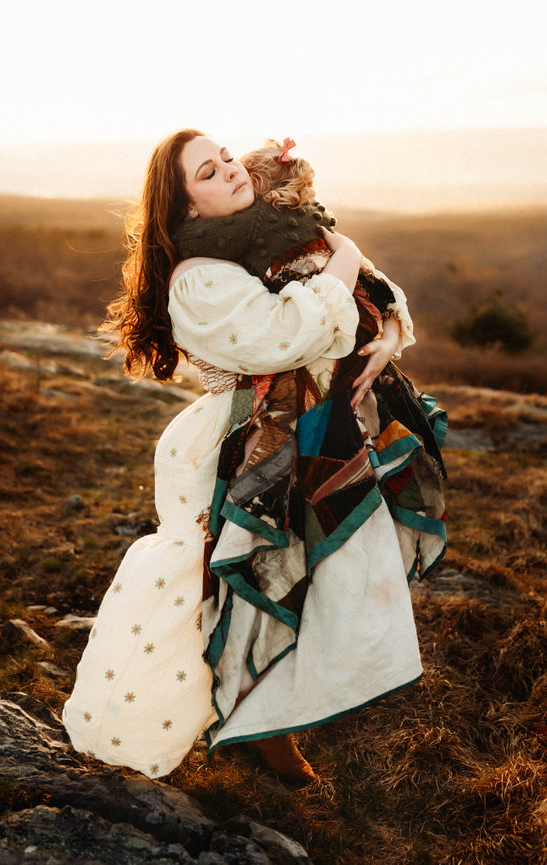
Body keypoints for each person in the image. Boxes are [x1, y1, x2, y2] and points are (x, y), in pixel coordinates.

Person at [63, 129, 445, 784]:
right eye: (206, 174)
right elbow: (285, 335)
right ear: (184, 210)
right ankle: (249, 720)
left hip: (308, 431)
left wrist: (382, 337)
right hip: (239, 447)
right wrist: (345, 256)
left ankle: (268, 714)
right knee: (236, 587)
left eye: (226, 159)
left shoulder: (259, 233)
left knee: (313, 577)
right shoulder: (197, 277)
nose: (229, 173)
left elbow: (366, 294)